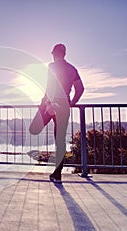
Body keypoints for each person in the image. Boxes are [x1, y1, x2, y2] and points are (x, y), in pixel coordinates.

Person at [45, 43, 84, 183]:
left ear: (54, 54)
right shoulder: (72, 69)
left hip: (51, 104)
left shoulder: (52, 66)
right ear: (64, 54)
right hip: (64, 106)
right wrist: (71, 103)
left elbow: (50, 87)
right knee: (60, 140)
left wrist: (49, 104)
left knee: (33, 127)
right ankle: (57, 173)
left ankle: (56, 173)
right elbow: (80, 89)